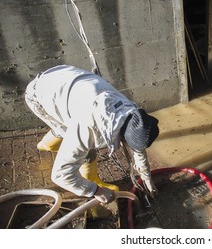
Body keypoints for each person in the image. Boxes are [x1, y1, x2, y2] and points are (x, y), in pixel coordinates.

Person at [25, 64, 159, 205]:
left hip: (64, 79)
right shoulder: (89, 129)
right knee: (87, 152)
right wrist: (95, 191)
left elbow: (138, 143)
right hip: (39, 94)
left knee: (66, 131)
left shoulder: (132, 113)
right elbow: (60, 175)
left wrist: (146, 177)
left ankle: (48, 142)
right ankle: (91, 179)